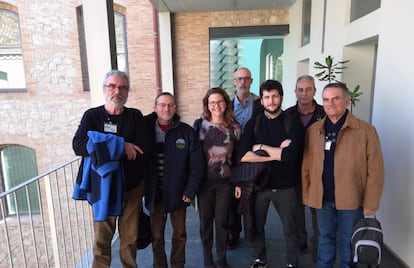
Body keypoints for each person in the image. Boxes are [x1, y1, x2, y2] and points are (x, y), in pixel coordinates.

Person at [302, 82, 384, 268]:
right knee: (324, 240)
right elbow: (307, 166)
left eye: (336, 98)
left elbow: (375, 171)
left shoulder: (365, 131)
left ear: (347, 101)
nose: (330, 103)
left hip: (352, 200)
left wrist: (371, 203)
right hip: (322, 199)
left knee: (349, 243)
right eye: (326, 99)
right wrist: (308, 194)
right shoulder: (313, 131)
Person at [72, 70, 149, 268]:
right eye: (112, 86)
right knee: (101, 241)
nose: (117, 91)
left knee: (130, 240)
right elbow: (79, 145)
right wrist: (122, 145)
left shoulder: (135, 116)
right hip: (102, 189)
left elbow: (141, 150)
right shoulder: (92, 115)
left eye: (122, 87)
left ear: (128, 91)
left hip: (131, 188)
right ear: (104, 89)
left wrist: (101, 146)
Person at [237, 80, 302, 268]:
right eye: (267, 97)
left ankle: (292, 263)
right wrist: (275, 153)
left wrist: (260, 148)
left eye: (274, 96)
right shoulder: (254, 123)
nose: (271, 101)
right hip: (259, 185)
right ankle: (259, 259)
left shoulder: (292, 122)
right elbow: (243, 155)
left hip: (287, 185)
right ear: (262, 100)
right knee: (256, 226)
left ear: (281, 97)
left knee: (291, 229)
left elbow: (290, 156)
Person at [144, 92, 205, 268]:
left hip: (179, 193)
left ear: (175, 108)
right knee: (156, 236)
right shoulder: (146, 129)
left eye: (170, 105)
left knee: (180, 235)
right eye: (162, 105)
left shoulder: (187, 132)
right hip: (155, 193)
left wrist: (190, 190)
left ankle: (178, 265)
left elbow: (197, 165)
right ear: (155, 108)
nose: (166, 108)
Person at [194, 87, 242, 268]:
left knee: (222, 222)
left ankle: (222, 259)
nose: (216, 105)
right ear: (207, 105)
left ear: (226, 103)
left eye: (220, 101)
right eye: (212, 102)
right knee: (205, 223)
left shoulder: (235, 128)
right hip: (204, 183)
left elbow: (238, 158)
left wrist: (238, 183)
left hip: (226, 183)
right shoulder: (199, 125)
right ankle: (207, 259)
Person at [285, 75, 325, 258]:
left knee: (318, 209)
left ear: (315, 91)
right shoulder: (287, 115)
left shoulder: (325, 115)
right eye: (300, 89)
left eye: (308, 89)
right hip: (294, 170)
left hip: (318, 171)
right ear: (295, 92)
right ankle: (301, 239)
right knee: (296, 208)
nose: (304, 93)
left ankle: (318, 245)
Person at [227, 67, 263, 249]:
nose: (242, 82)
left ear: (251, 81)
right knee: (232, 198)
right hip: (231, 157)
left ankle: (252, 235)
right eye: (239, 79)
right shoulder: (227, 104)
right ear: (234, 81)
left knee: (251, 197)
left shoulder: (259, 104)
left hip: (251, 156)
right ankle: (233, 233)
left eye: (246, 79)